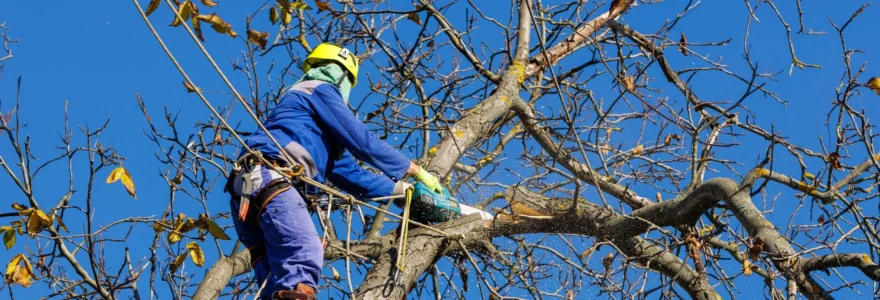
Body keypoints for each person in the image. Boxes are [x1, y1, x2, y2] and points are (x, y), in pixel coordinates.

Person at [225, 43, 444, 300]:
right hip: (271, 179)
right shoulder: (317, 89)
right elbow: (361, 139)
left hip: (249, 193)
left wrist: (404, 191)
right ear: (341, 76)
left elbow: (355, 178)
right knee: (304, 252)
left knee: (274, 283)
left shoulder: (319, 138)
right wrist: (416, 171)